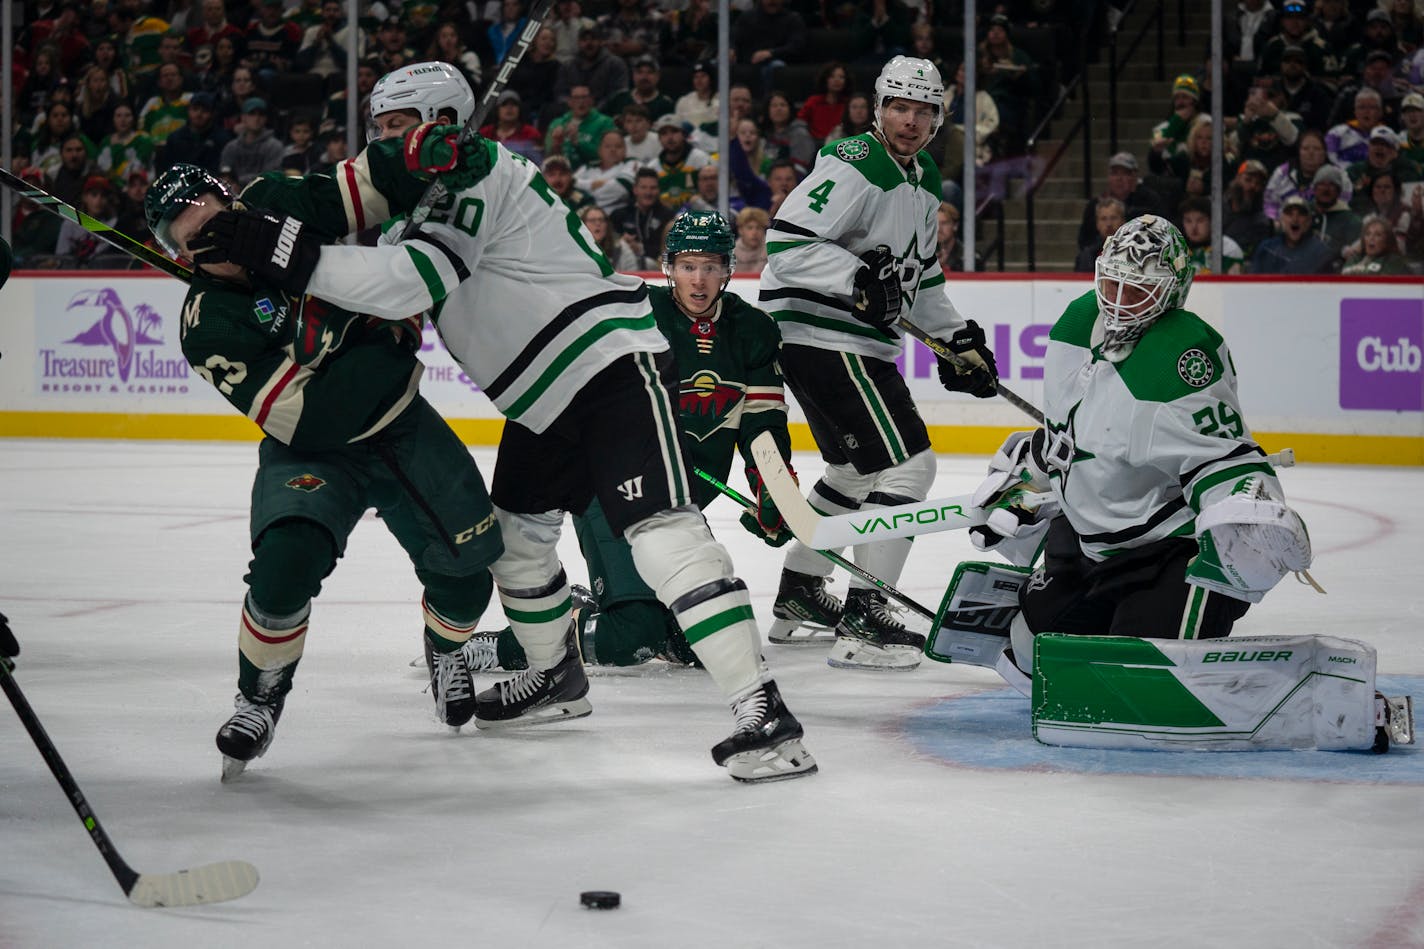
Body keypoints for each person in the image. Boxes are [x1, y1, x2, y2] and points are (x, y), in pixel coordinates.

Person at [187, 64, 818, 783]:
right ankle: (555, 676)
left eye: (397, 127)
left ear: (438, 121)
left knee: (663, 534)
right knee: (515, 540)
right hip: (542, 398)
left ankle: (763, 711)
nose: (385, 142)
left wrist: (284, 255)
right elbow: (351, 226)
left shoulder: (474, 172)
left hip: (607, 366)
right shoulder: (424, 196)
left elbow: (409, 284)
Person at [143, 163, 503, 780]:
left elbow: (370, 198)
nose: (217, 248)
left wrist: (420, 166)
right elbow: (310, 418)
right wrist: (382, 336)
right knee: (285, 564)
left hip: (405, 427)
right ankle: (259, 695)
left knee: (469, 574)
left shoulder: (286, 215)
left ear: (233, 205)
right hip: (313, 453)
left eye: (219, 225)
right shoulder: (209, 323)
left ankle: (446, 649)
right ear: (179, 255)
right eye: (195, 242)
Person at [968, 215, 1312, 691]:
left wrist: (1249, 514)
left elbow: (1223, 459)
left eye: (1138, 291)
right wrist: (1024, 491)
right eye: (1112, 283)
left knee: (1139, 673)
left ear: (1172, 291)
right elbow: (1064, 438)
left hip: (1167, 552)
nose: (1118, 302)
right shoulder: (1077, 323)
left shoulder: (1180, 356)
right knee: (1032, 653)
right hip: (1092, 546)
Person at [757, 56, 999, 671]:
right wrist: (857, 277)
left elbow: (921, 281)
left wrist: (956, 341)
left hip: (841, 340)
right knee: (910, 469)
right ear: (878, 106)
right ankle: (867, 616)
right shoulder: (856, 163)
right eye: (899, 106)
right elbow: (786, 242)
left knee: (854, 476)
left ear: (938, 119)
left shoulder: (921, 180)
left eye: (924, 110)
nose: (910, 120)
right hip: (827, 336)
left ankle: (802, 594)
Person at [471, 211, 795, 671]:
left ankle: (599, 604)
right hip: (617, 489)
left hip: (680, 505)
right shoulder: (637, 312)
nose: (698, 280)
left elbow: (762, 424)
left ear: (728, 269)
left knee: (702, 642)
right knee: (633, 637)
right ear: (669, 268)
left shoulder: (753, 330)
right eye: (687, 266)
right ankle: (509, 647)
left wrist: (774, 490)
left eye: (709, 266)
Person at [1075, 151, 1167, 250]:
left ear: (1135, 177)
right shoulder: (1095, 205)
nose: (1119, 178)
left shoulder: (1150, 201)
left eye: (1125, 173)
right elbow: (1084, 240)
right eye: (1114, 173)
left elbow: (1161, 234)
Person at [1250, 194, 1338, 273]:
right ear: (1281, 219)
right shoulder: (1266, 249)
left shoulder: (1321, 253)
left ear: (1309, 221)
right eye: (1289, 214)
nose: (1295, 219)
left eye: (1301, 214)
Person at [610, 166, 675, 268]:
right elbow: (609, 243)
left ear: (658, 190)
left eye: (653, 188)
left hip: (657, 267)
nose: (648, 193)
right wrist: (622, 241)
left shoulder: (668, 216)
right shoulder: (619, 215)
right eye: (643, 187)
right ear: (635, 190)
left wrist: (641, 248)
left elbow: (668, 248)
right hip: (624, 265)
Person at [218, 97, 287, 187]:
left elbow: (270, 178)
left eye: (261, 115)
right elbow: (224, 174)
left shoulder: (274, 146)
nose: (257, 118)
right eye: (252, 114)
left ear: (265, 118)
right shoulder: (231, 147)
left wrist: (239, 181)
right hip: (233, 195)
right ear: (243, 118)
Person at [573, 128, 641, 214]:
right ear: (599, 150)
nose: (613, 150)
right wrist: (592, 184)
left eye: (618, 146)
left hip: (616, 218)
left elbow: (620, 189)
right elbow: (570, 184)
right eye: (608, 146)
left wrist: (585, 192)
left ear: (625, 150)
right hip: (584, 217)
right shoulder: (587, 167)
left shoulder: (633, 163)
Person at [1179, 196, 1244, 274]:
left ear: (1212, 221)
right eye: (1188, 221)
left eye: (1200, 220)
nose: (1194, 227)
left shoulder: (1228, 248)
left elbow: (1233, 284)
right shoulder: (1178, 249)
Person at [1340, 214, 1414, 274]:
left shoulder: (1394, 261)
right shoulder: (1355, 258)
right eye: (1367, 234)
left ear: (1387, 241)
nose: (1371, 238)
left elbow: (1374, 277)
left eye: (1378, 235)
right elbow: (1344, 275)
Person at [1074, 196, 1125, 272]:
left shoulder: (1136, 252)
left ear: (1123, 222)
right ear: (1097, 224)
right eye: (1103, 219)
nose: (1109, 224)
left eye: (1113, 218)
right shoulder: (1086, 257)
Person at [734, 205, 769, 274]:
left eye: (758, 228)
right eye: (749, 228)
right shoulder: (731, 253)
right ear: (740, 230)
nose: (754, 233)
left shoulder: (770, 250)